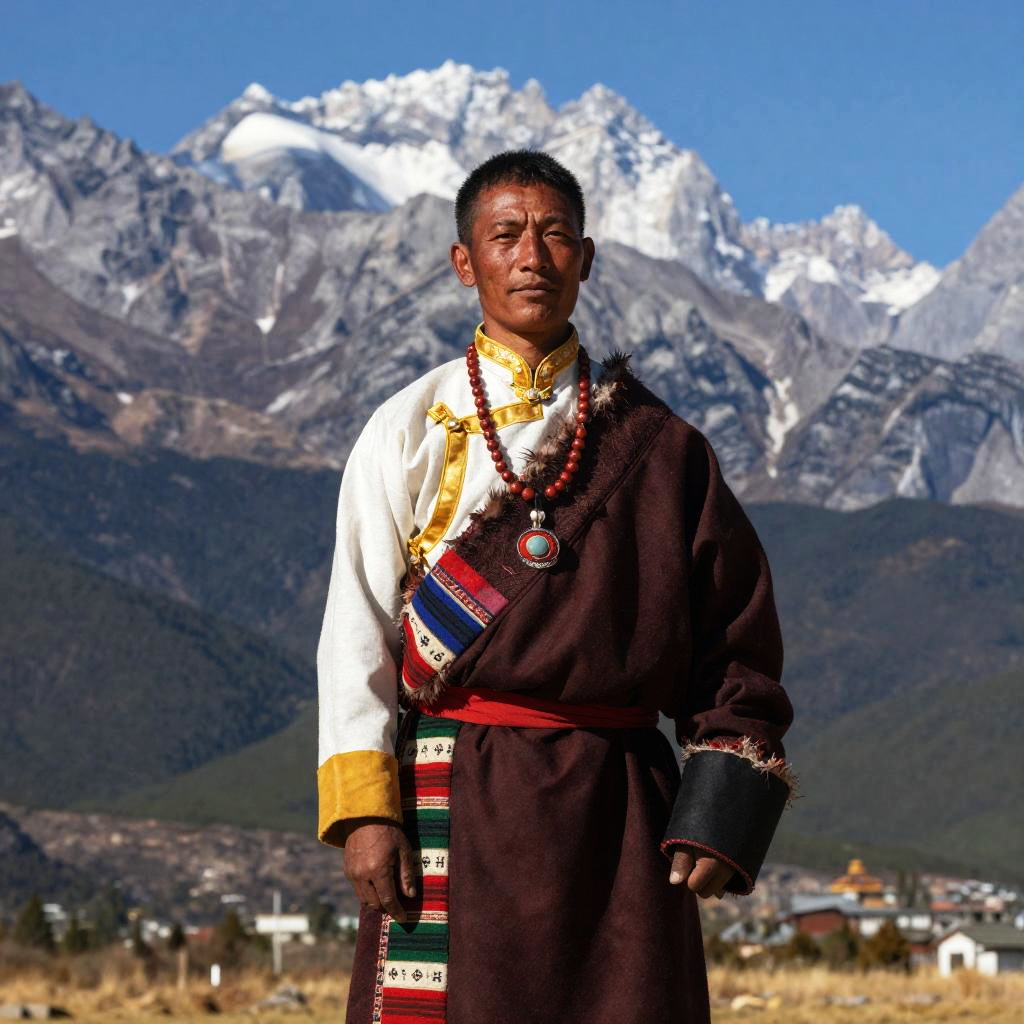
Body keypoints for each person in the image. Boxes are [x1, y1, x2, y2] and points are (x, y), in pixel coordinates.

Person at [316, 150, 795, 1024]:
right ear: (466, 263)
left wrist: (721, 803)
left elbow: (736, 638)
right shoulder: (405, 426)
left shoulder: (664, 447)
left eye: (555, 235)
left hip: (621, 809)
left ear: (587, 257)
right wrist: (364, 816)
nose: (532, 256)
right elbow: (357, 629)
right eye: (505, 235)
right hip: (452, 793)